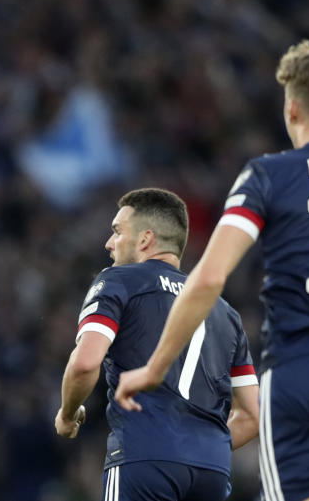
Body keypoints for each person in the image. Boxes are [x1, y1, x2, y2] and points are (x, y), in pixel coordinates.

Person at [114, 41, 309, 501]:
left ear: (291, 109)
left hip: (303, 375)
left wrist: (156, 367)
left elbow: (210, 277)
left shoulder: (268, 176)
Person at [55, 188, 260, 501]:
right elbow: (251, 416)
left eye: (117, 231)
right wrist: (197, 447)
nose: (109, 243)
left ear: (145, 239)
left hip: (144, 457)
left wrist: (67, 414)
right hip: (212, 469)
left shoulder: (118, 281)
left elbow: (85, 363)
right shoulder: (225, 312)